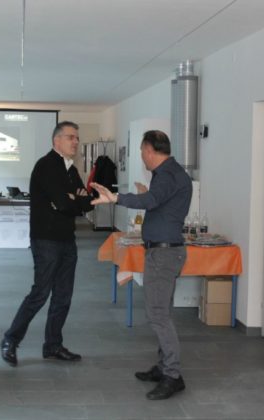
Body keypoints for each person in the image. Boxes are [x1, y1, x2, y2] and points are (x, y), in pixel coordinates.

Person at [90, 130, 192, 401]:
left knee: (158, 314)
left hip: (164, 254)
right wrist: (147, 196)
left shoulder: (167, 174)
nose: (142, 157)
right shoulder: (169, 174)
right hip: (164, 252)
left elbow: (150, 201)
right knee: (163, 312)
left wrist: (116, 198)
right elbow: (157, 202)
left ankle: (173, 375)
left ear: (148, 149)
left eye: (141, 152)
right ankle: (164, 366)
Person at [0, 121, 93, 366]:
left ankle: (53, 346)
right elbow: (65, 204)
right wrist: (72, 200)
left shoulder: (71, 170)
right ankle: (10, 340)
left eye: (77, 138)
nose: (76, 142)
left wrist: (73, 200)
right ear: (56, 141)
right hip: (46, 240)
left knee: (63, 296)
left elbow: (85, 204)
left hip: (67, 240)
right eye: (71, 137)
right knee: (40, 293)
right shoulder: (46, 166)